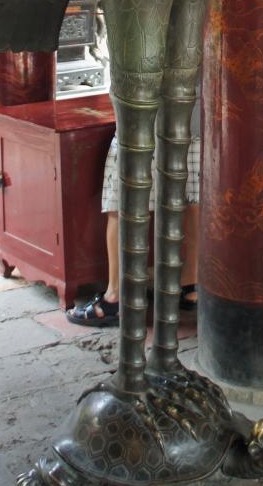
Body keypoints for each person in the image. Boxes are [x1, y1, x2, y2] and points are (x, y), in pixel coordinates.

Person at [66, 103, 200, 327]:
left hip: (142, 121)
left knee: (122, 206)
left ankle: (116, 297)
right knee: (192, 199)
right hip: (192, 118)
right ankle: (190, 285)